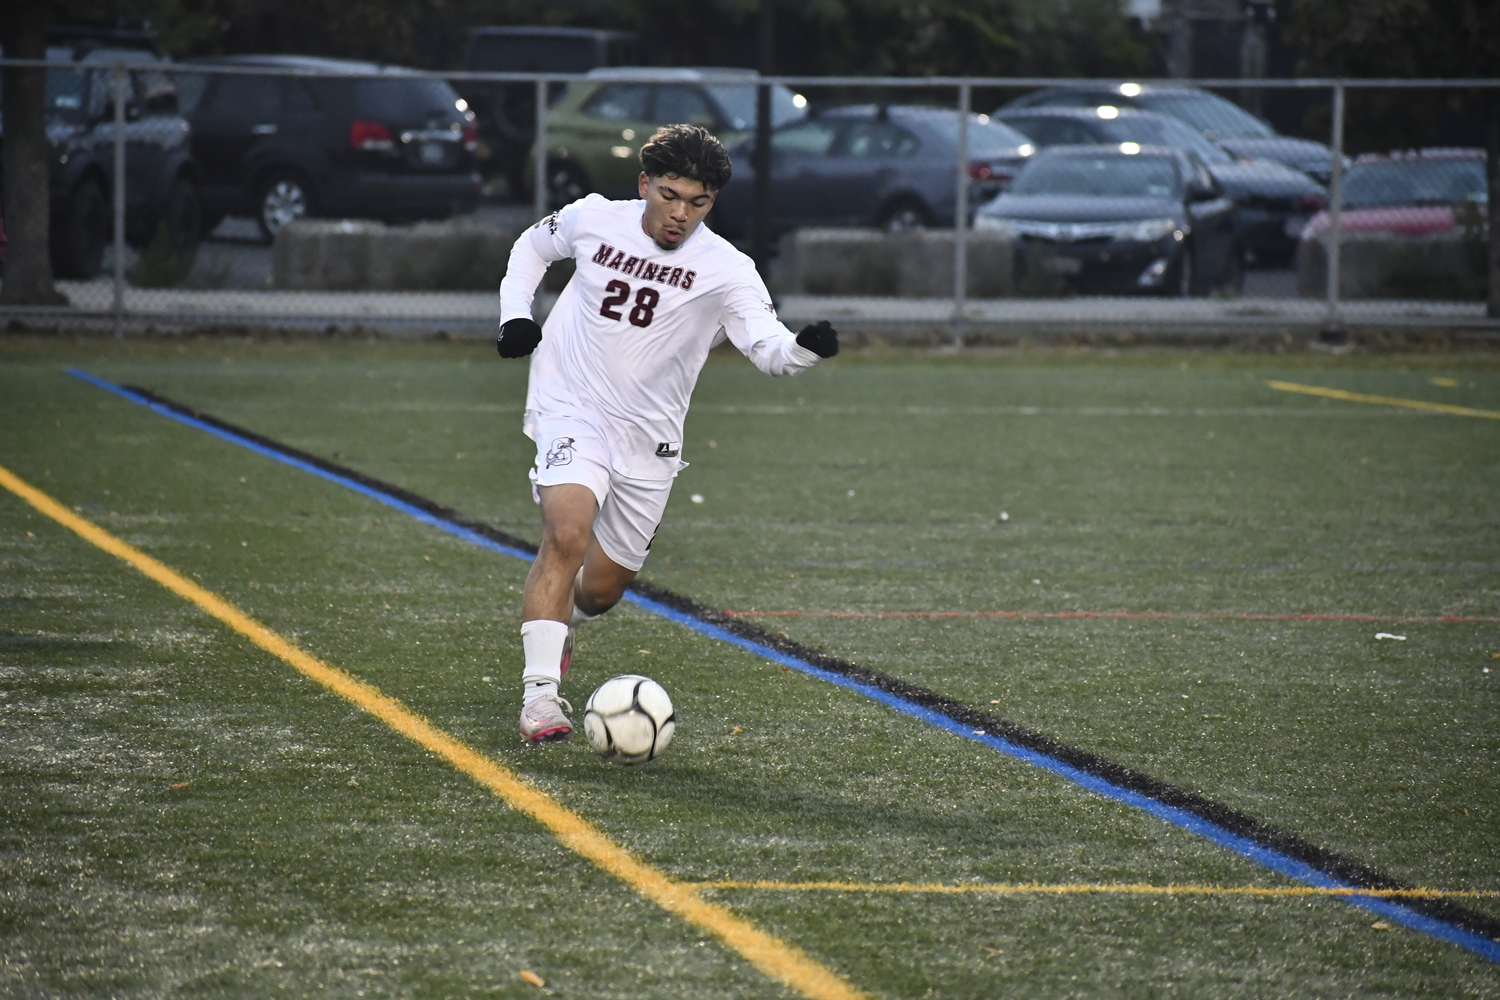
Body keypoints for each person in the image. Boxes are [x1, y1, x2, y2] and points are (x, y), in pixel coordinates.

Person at [496, 123, 840, 744]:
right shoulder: (595, 217)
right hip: (570, 406)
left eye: (698, 202)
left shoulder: (728, 269)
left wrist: (802, 350)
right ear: (644, 185)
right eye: (670, 195)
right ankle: (540, 697)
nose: (680, 213)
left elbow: (764, 344)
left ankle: (558, 621)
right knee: (567, 531)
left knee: (599, 592)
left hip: (649, 442)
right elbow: (530, 248)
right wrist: (516, 318)